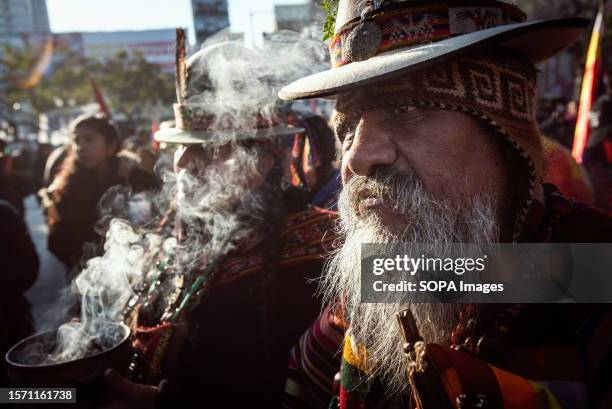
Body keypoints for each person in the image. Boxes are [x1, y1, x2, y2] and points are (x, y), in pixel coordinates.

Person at [278, 1, 612, 408]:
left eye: (407, 108)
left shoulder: (595, 266)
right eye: (347, 128)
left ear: (504, 133)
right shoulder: (382, 280)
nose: (357, 157)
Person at [99, 36, 336, 409]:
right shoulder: (179, 238)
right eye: (180, 146)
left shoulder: (325, 252)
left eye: (207, 148)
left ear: (261, 159)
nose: (181, 164)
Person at [39, 114, 159, 270]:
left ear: (111, 146)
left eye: (89, 139)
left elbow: (155, 221)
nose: (80, 147)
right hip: (84, 274)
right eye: (76, 141)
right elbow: (57, 239)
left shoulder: (132, 178)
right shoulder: (66, 184)